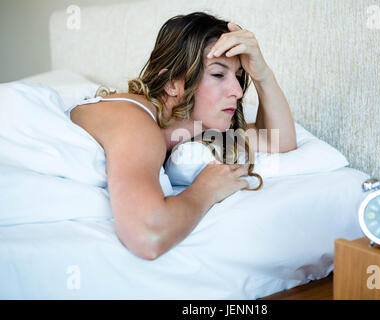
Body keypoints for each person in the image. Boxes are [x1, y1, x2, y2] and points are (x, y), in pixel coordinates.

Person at [68, 12, 297, 260]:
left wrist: (261, 72)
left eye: (239, 76)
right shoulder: (135, 122)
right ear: (172, 84)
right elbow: (147, 237)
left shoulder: (190, 129)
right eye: (219, 75)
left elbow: (279, 140)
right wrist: (205, 190)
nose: (238, 91)